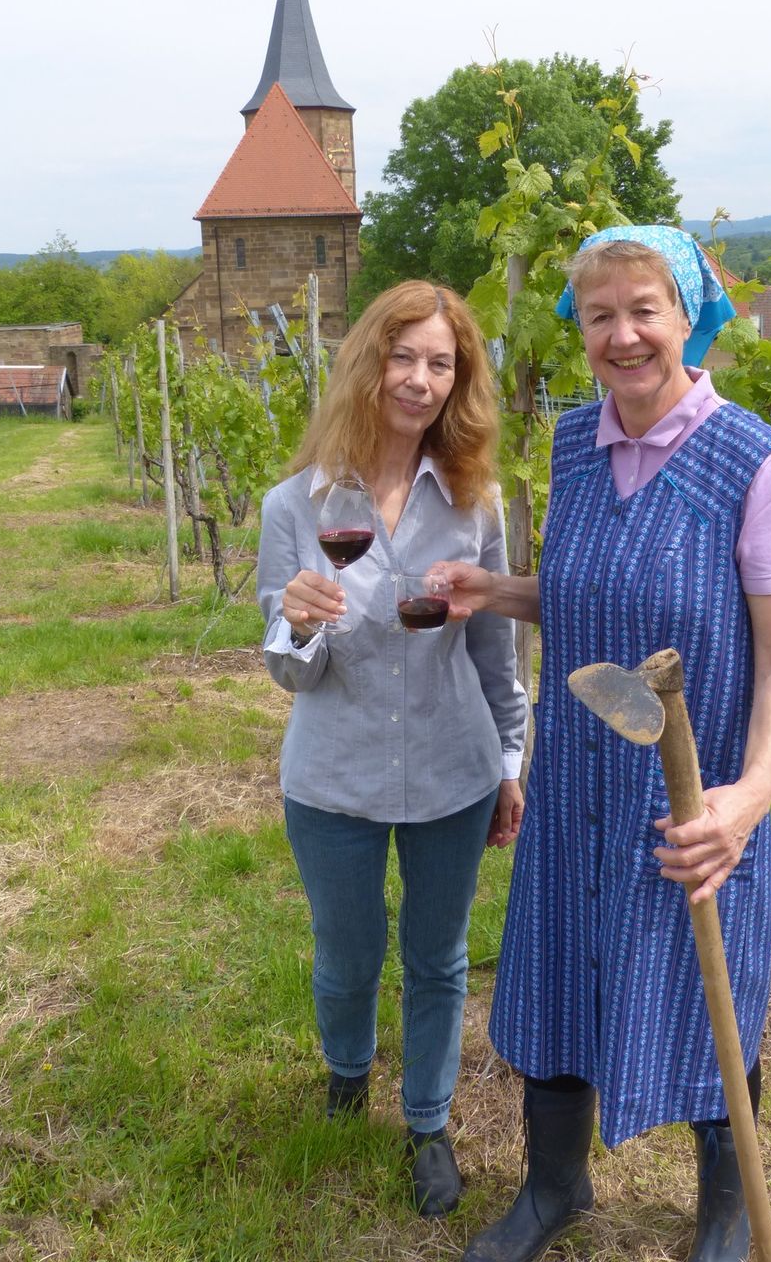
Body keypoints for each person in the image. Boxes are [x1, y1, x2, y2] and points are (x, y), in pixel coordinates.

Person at [433, 227, 771, 1262]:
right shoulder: (571, 443)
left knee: (707, 1001)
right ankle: (555, 1188)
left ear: (691, 317)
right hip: (574, 789)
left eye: (643, 308)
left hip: (694, 804)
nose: (623, 334)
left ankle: (724, 1215)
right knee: (556, 981)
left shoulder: (757, 464)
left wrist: (747, 799)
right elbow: (589, 600)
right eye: (599, 314)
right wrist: (496, 591)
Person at [256, 279, 528, 1219]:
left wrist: (510, 762)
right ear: (369, 364)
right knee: (348, 947)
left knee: (439, 955)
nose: (418, 379)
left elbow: (498, 648)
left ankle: (428, 1122)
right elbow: (289, 672)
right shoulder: (296, 505)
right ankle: (344, 1076)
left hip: (454, 768)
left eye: (440, 364)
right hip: (333, 775)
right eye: (402, 357)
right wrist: (298, 623)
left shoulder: (475, 500)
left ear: (460, 383)